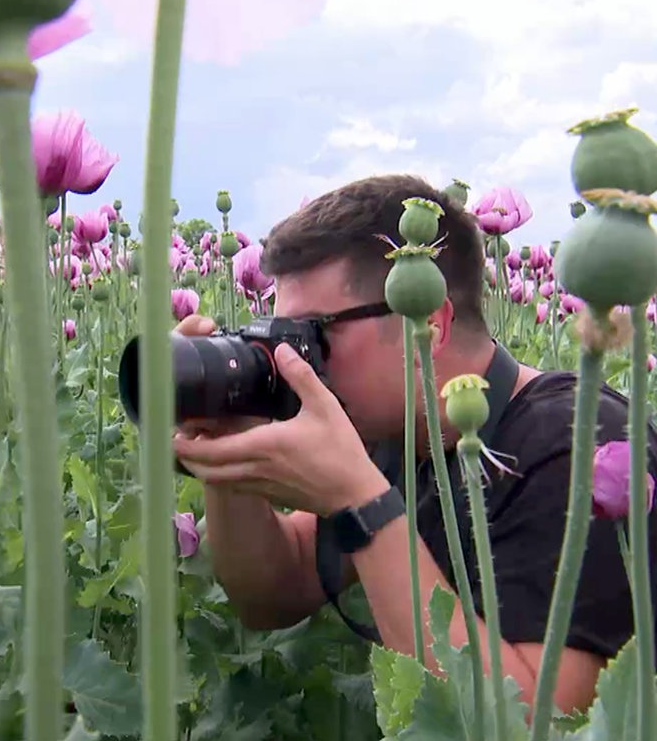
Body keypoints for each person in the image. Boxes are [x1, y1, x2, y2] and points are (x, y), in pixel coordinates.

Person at [171, 174, 657, 717]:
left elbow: (537, 720)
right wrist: (226, 453)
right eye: (278, 337)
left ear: (427, 320)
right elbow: (273, 592)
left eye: (313, 335)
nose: (292, 361)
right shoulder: (400, 430)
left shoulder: (575, 445)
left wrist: (362, 502)